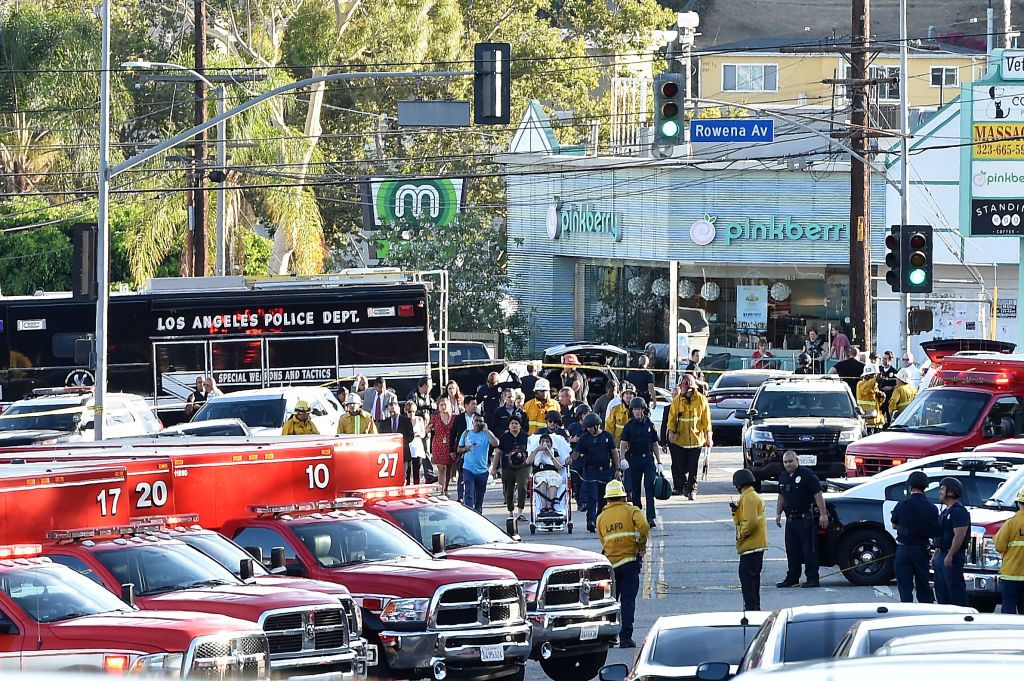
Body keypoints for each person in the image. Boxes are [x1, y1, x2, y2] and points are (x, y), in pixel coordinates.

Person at [596, 479, 649, 649]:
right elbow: (644, 527)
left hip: (610, 566)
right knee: (627, 601)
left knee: (610, 603)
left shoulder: (601, 518)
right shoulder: (632, 510)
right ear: (624, 497)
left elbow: (603, 541)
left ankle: (610, 638)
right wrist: (640, 546)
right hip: (629, 563)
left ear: (607, 499)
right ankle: (625, 638)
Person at [775, 451, 829, 588]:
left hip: (806, 520)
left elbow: (818, 494)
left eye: (790, 461)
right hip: (791, 520)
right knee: (792, 550)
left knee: (809, 550)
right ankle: (792, 578)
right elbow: (781, 495)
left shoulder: (807, 475)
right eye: (785, 462)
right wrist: (778, 513)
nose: (788, 464)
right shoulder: (783, 476)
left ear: (797, 460)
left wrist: (823, 514)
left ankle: (812, 578)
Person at [890, 471, 939, 603]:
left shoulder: (902, 505)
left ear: (910, 486)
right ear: (925, 487)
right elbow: (935, 530)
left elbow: (894, 524)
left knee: (904, 587)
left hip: (903, 549)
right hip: (921, 549)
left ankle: (906, 612)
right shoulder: (932, 508)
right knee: (923, 584)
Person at [665, 375, 712, 500]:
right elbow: (672, 419)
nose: (681, 389)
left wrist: (708, 437)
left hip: (696, 441)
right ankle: (685, 484)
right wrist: (671, 433)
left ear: (690, 388)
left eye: (683, 387)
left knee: (693, 467)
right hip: (680, 441)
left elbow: (706, 420)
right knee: (680, 467)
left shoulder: (701, 400)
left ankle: (692, 489)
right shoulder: (677, 401)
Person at [619, 396, 663, 527]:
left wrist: (659, 462)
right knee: (635, 489)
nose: (637, 411)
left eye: (640, 409)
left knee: (649, 487)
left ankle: (650, 517)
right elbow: (623, 444)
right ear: (632, 411)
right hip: (633, 459)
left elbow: (655, 443)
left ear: (643, 410)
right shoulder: (628, 427)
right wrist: (622, 459)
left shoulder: (649, 425)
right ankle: (638, 517)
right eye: (635, 409)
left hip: (648, 459)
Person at [574, 413, 620, 532]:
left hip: (605, 471)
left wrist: (618, 469)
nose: (588, 429)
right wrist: (569, 460)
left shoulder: (607, 437)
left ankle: (600, 520)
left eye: (590, 427)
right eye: (587, 427)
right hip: (590, 471)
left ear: (596, 425)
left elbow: (614, 453)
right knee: (592, 497)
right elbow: (577, 452)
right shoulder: (585, 438)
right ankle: (591, 521)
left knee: (603, 498)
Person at [730, 468, 768, 611]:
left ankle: (752, 609)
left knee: (748, 580)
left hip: (751, 545)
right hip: (754, 545)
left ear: (739, 484)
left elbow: (750, 522)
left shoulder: (749, 498)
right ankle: (754, 607)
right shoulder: (750, 496)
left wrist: (741, 535)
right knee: (752, 580)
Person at [932, 476, 970, 606]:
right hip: (941, 554)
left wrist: (950, 555)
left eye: (942, 489)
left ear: (951, 492)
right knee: (941, 591)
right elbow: (941, 535)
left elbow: (959, 535)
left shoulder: (959, 511)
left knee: (955, 590)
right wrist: (935, 554)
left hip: (952, 556)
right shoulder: (945, 511)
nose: (939, 492)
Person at [457, 413, 498, 514]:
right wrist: (465, 449)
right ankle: (469, 514)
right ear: (472, 422)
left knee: (479, 497)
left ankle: (478, 514)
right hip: (468, 469)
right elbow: (458, 449)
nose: (478, 423)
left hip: (482, 470)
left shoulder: (486, 434)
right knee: (469, 493)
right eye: (477, 421)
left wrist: (487, 431)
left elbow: (496, 443)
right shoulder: (466, 433)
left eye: (481, 421)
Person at [490, 418, 530, 520]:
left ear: (520, 426)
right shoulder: (504, 437)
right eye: (512, 423)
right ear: (509, 426)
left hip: (523, 467)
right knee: (509, 489)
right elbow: (498, 453)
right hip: (507, 467)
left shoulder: (526, 437)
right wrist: (494, 469)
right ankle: (511, 512)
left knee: (522, 487)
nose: (514, 425)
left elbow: (532, 451)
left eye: (516, 423)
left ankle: (520, 512)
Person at [993, 488, 1024, 614]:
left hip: (1010, 575)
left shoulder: (1011, 523)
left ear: (1019, 503)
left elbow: (999, 546)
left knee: (1008, 609)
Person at [449, 396, 480, 503]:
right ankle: (460, 496)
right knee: (462, 473)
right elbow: (453, 434)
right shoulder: (459, 418)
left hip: (477, 450)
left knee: (475, 474)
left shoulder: (479, 418)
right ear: (466, 406)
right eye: (473, 404)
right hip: (462, 449)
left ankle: (474, 496)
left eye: (476, 404)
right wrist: (451, 450)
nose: (475, 406)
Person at [379, 401, 417, 484]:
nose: (392, 413)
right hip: (389, 454)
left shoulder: (406, 421)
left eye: (394, 411)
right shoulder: (384, 423)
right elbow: (381, 437)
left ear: (398, 409)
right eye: (390, 412)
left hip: (403, 452)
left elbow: (411, 436)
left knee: (404, 476)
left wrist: (400, 444)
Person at [527, 433, 566, 513]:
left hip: (553, 473)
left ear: (551, 444)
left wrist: (550, 455)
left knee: (553, 481)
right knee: (543, 481)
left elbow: (559, 467)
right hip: (540, 473)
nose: (545, 443)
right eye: (543, 441)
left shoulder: (554, 452)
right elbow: (528, 462)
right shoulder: (535, 452)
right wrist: (537, 450)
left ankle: (551, 506)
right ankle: (544, 507)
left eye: (547, 441)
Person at [426, 398, 457, 497]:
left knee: (448, 467)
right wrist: (429, 428)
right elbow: (427, 429)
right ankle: (441, 490)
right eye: (441, 405)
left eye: (445, 405)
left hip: (450, 444)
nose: (443, 407)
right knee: (441, 468)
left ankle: (446, 488)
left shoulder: (454, 418)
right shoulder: (435, 418)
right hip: (438, 443)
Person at [856, 364, 886, 432]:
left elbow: (878, 404)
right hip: (867, 423)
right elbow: (867, 387)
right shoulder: (860, 384)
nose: (876, 377)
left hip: (876, 422)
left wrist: (882, 397)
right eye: (874, 375)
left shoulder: (874, 386)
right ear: (867, 376)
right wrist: (875, 380)